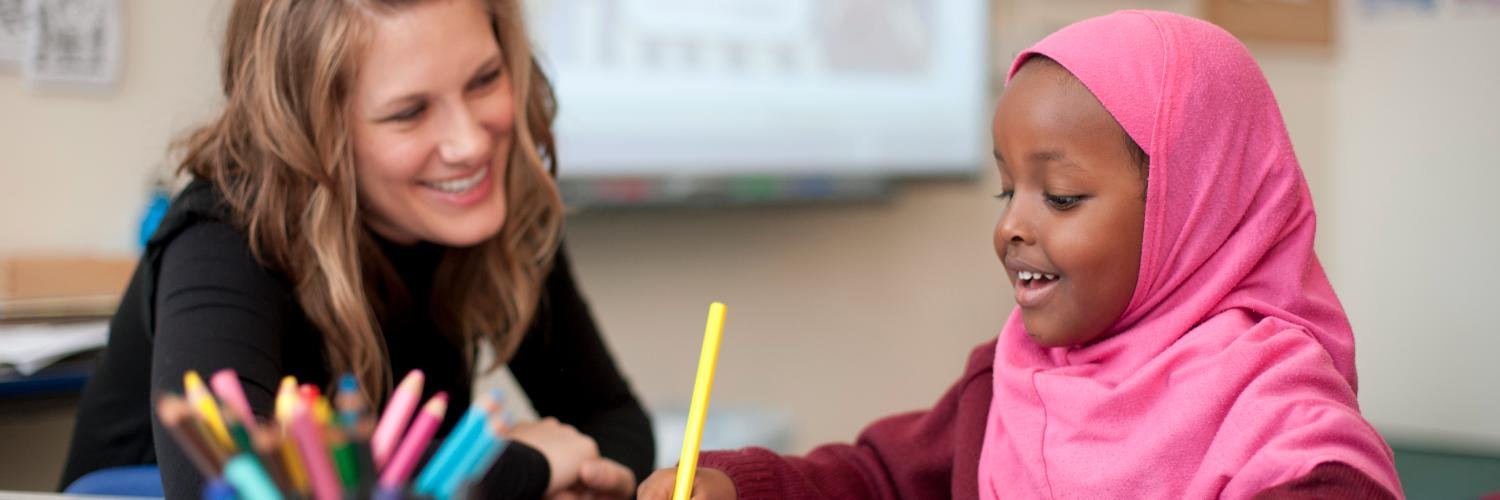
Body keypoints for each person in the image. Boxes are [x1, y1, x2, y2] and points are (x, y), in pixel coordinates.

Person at [638, 10, 1401, 499]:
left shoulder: (1285, 426)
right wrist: (734, 487)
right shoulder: (1006, 382)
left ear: (1191, 210)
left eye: (1061, 197)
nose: (1011, 228)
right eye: (1007, 193)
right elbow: (881, 479)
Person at [59, 1, 653, 498]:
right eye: (409, 112)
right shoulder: (224, 232)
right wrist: (520, 468)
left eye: (485, 79)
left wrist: (585, 479)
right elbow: (236, 482)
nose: (471, 143)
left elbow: (614, 422)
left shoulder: (492, 207)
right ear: (313, 133)